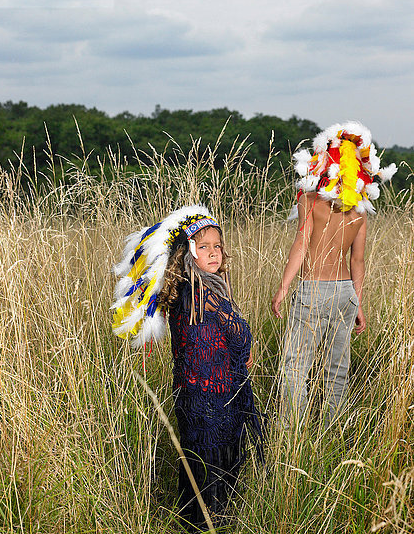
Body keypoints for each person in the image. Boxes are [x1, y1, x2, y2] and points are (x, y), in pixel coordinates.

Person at [112, 206, 264, 531]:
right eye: (204, 246)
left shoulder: (182, 290)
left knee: (197, 462)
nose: (213, 252)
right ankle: (212, 520)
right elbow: (237, 333)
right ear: (188, 252)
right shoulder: (206, 292)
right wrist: (245, 348)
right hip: (216, 395)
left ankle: (195, 518)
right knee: (218, 464)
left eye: (217, 245)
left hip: (191, 393)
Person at [271, 121, 397, 428]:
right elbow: (358, 261)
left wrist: (284, 286)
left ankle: (291, 434)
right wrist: (359, 303)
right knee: (337, 370)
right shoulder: (360, 212)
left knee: (294, 368)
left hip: (313, 288)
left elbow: (301, 243)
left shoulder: (310, 201)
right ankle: (333, 431)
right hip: (345, 294)